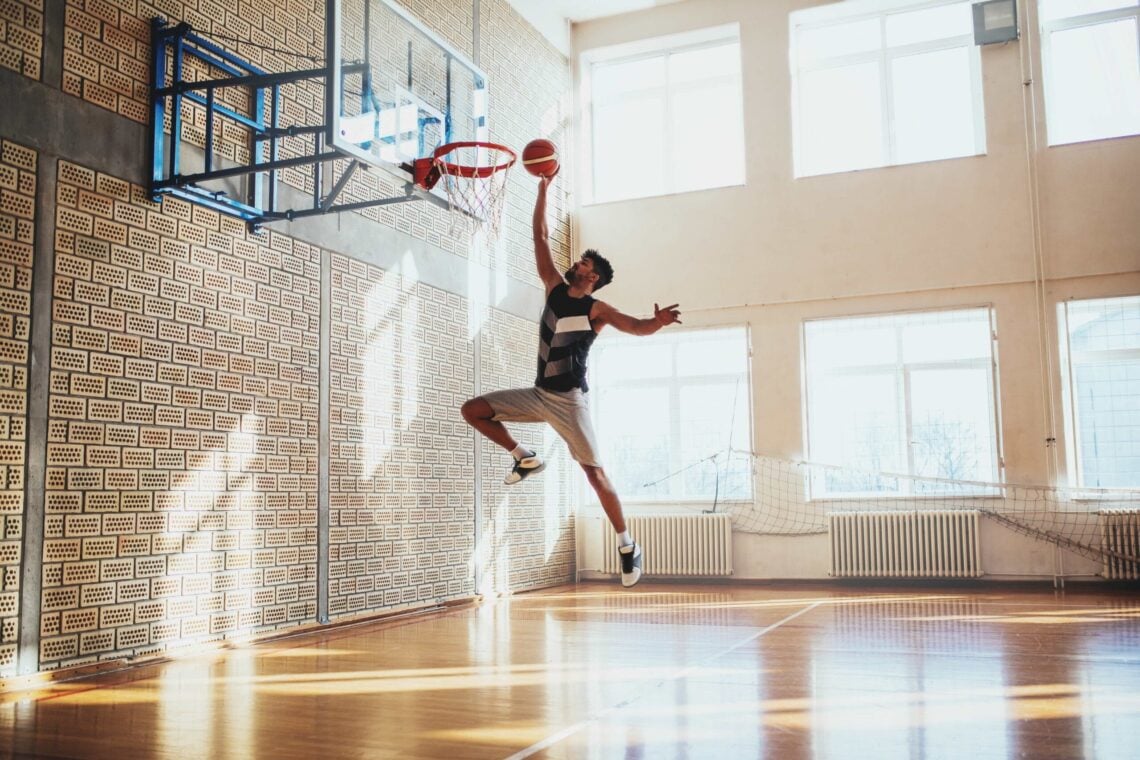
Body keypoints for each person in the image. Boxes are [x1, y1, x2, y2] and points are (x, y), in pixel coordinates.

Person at [460, 172, 682, 588]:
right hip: (539, 394)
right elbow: (540, 237)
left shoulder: (598, 310)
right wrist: (543, 189)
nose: (577, 262)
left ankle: (628, 545)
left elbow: (635, 327)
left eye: (584, 263)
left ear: (593, 276)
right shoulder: (554, 288)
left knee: (595, 475)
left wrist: (658, 321)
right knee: (473, 410)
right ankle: (525, 456)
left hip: (569, 402)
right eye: (580, 260)